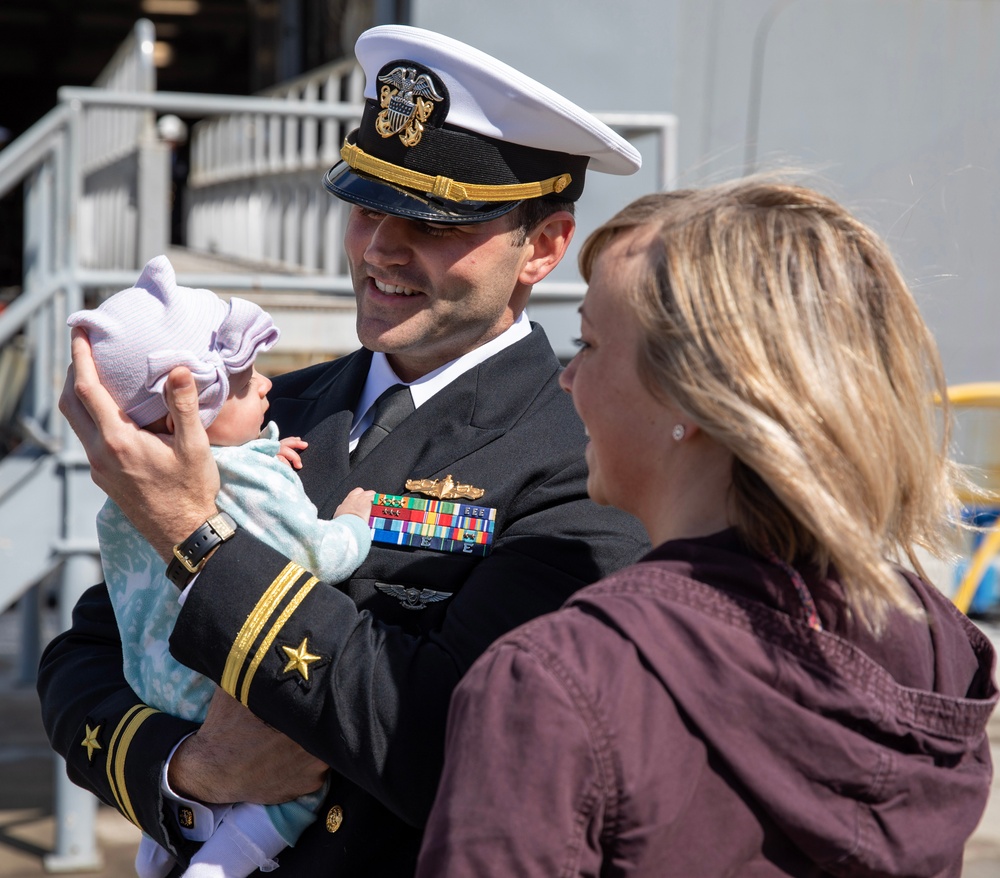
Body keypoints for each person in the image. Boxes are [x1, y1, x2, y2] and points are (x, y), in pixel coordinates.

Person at [39, 23, 649, 877]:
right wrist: (187, 772)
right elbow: (86, 660)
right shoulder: (268, 408)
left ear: (542, 247)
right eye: (367, 207)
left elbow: (456, 750)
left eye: (435, 225)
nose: (379, 250)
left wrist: (197, 533)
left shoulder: (580, 468)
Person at [416, 180, 1000, 878]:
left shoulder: (560, 677)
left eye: (591, 343)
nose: (568, 378)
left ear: (687, 396)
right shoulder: (935, 637)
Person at [67, 253, 375, 878]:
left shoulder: (137, 484)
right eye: (245, 379)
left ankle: (171, 834)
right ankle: (223, 863)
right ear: (191, 411)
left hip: (151, 686)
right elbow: (317, 555)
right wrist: (354, 523)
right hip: (224, 685)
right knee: (299, 785)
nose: (268, 385)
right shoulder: (251, 469)